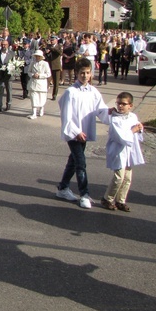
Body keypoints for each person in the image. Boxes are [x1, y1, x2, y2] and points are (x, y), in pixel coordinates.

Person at [55, 58, 108, 209]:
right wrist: (75, 131)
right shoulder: (71, 92)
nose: (85, 76)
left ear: (91, 73)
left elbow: (101, 110)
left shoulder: (93, 91)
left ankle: (62, 188)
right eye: (82, 73)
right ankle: (84, 194)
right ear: (76, 74)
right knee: (81, 162)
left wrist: (112, 114)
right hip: (74, 133)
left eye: (87, 73)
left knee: (73, 161)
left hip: (84, 132)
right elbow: (66, 115)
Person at [100, 92, 144, 212]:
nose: (120, 106)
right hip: (118, 150)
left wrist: (139, 128)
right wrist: (133, 130)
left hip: (129, 151)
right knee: (119, 177)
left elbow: (137, 131)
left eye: (123, 104)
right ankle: (107, 199)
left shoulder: (132, 116)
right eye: (118, 103)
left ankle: (121, 200)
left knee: (127, 178)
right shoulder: (115, 119)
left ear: (130, 105)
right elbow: (121, 137)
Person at [0, 40, 15, 113]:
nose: (3, 46)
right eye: (2, 44)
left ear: (8, 45)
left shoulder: (12, 53)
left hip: (8, 75)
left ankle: (8, 104)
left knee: (8, 90)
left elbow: (15, 64)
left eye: (5, 45)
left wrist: (12, 71)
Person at [27, 50, 51, 119]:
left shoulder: (45, 64)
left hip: (41, 83)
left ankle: (41, 108)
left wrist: (40, 75)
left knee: (41, 97)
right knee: (33, 97)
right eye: (36, 56)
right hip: (33, 83)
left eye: (38, 56)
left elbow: (48, 74)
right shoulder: (32, 63)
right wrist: (33, 75)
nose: (37, 57)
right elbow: (29, 71)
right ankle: (34, 113)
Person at [45, 36, 63, 100]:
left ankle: (54, 94)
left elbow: (60, 53)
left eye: (53, 40)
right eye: (51, 40)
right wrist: (47, 52)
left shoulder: (59, 46)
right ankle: (44, 93)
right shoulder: (48, 46)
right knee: (47, 80)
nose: (51, 41)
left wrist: (52, 48)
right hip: (49, 65)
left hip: (56, 66)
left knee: (56, 81)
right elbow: (46, 54)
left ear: (56, 40)